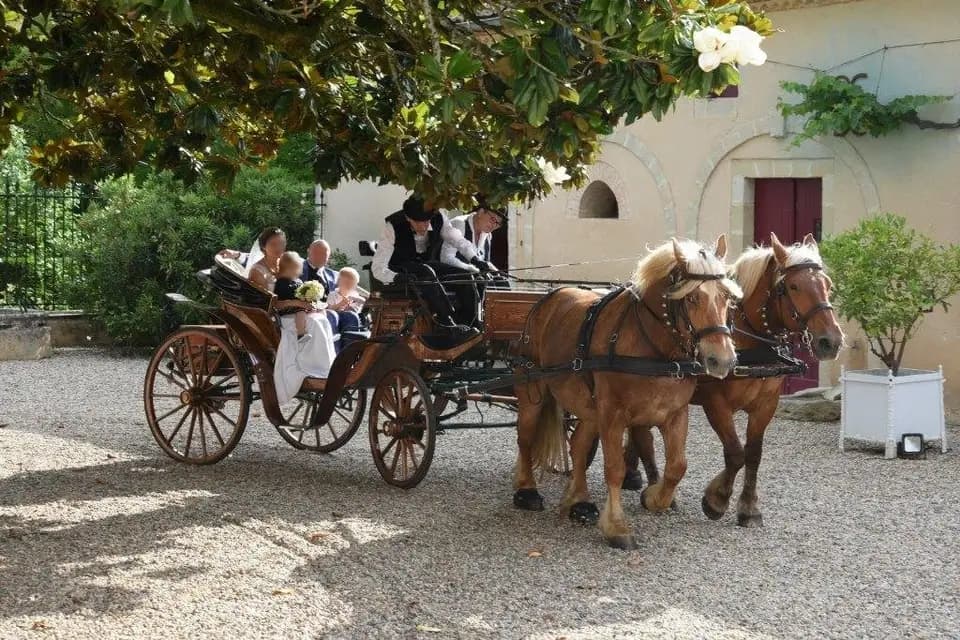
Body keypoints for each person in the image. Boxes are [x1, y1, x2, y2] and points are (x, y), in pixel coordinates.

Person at [243, 227, 337, 405]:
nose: (279, 247)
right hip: (274, 318)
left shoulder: (285, 264)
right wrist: (298, 304)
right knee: (315, 325)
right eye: (273, 244)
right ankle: (310, 369)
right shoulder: (258, 271)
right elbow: (269, 304)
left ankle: (324, 369)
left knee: (323, 320)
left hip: (292, 312)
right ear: (264, 247)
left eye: (282, 243)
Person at [371, 196, 489, 336]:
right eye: (418, 222)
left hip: (427, 265)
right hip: (401, 268)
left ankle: (470, 325)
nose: (424, 226)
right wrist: (397, 277)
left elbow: (457, 239)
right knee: (425, 272)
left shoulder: (439, 217)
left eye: (426, 221)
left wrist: (474, 259)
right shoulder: (392, 226)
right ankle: (447, 323)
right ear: (408, 218)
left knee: (467, 276)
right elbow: (377, 267)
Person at [273, 251, 310, 341]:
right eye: (296, 269)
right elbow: (276, 302)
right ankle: (301, 333)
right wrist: (298, 303)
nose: (299, 272)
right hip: (287, 310)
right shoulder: (279, 282)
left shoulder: (298, 281)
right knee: (301, 312)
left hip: (299, 306)